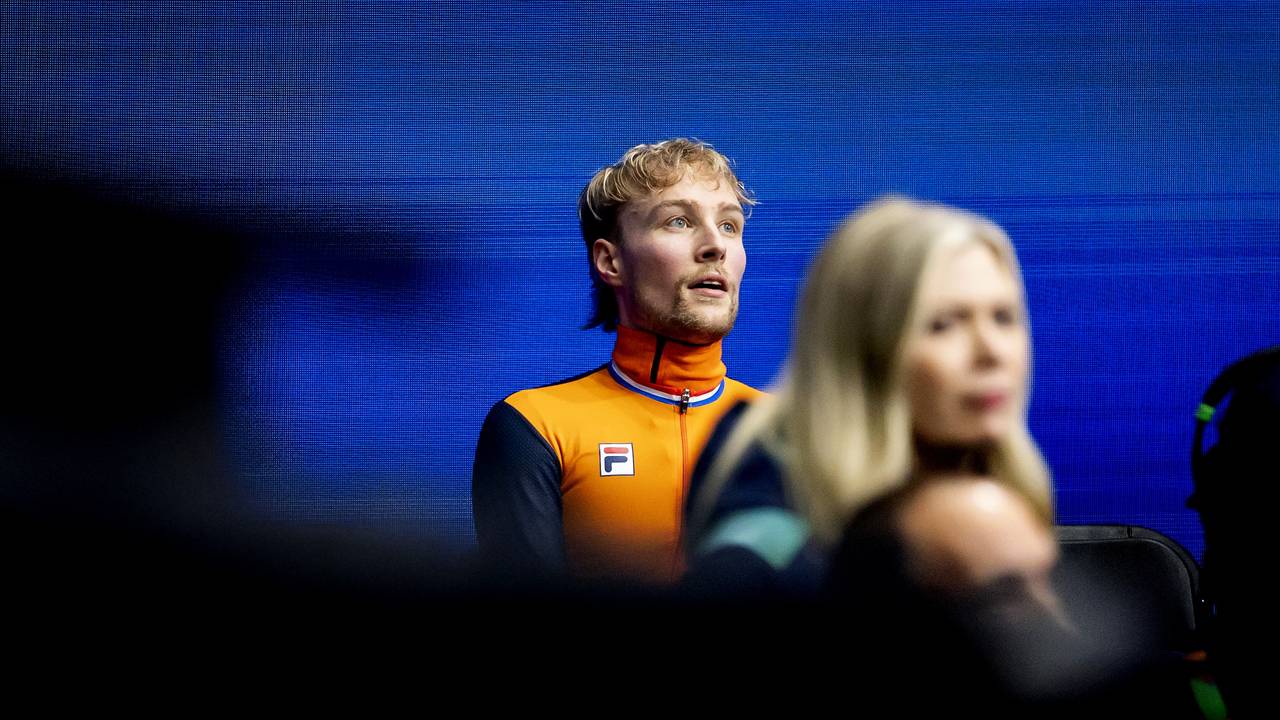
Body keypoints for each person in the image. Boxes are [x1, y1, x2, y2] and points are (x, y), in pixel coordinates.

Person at [684, 196, 1053, 595]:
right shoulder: (769, 487)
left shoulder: (1001, 480)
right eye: (944, 324)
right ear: (863, 346)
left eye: (1004, 318)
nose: (992, 353)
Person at [472, 139, 764, 585]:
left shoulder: (787, 433)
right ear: (610, 260)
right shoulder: (534, 428)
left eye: (729, 225)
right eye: (679, 221)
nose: (715, 246)